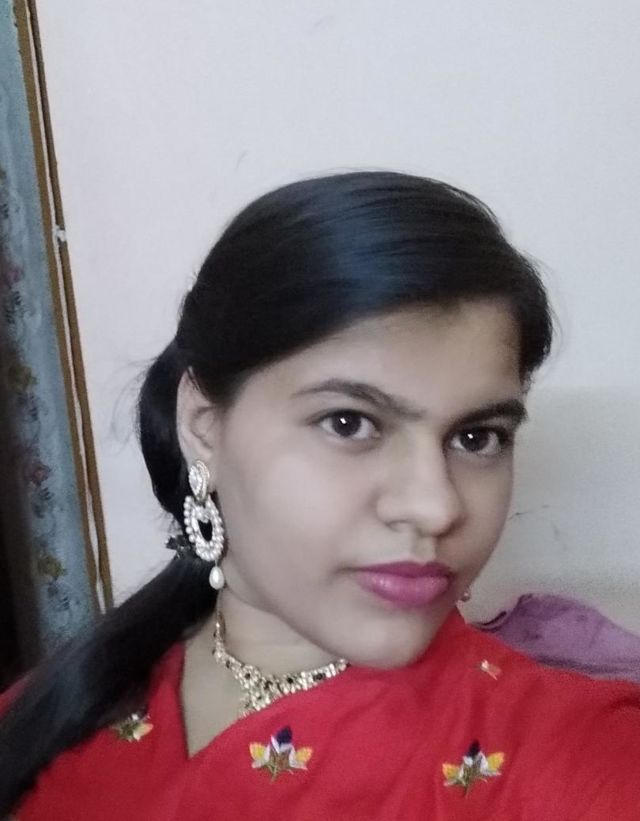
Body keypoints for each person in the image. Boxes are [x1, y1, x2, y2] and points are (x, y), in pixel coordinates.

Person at [1, 171, 638, 819]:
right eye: (348, 423)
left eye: (477, 437)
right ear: (203, 424)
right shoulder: (50, 718)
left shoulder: (572, 757)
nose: (437, 507)